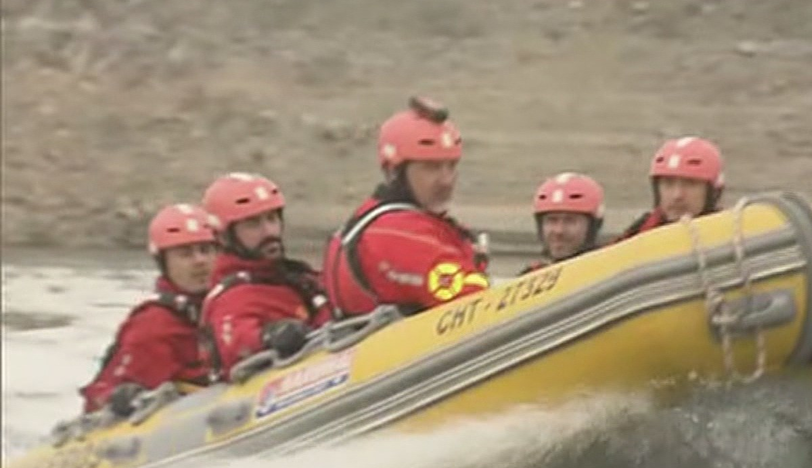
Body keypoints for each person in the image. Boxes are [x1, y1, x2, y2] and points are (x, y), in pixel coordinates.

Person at [322, 96, 489, 319]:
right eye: (431, 167)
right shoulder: (396, 234)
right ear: (395, 172)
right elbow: (474, 302)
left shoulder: (383, 220)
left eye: (451, 166)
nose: (446, 180)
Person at [79, 204, 219, 416]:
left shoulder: (234, 306)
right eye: (185, 253)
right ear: (164, 263)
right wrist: (120, 396)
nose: (200, 261)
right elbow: (101, 398)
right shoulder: (154, 324)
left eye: (206, 250)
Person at [199, 172, 332, 381]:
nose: (269, 231)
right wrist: (269, 336)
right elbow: (237, 343)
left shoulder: (297, 277)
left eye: (272, 219)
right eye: (253, 224)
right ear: (224, 236)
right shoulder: (231, 298)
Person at [616, 136, 725, 241]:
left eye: (690, 184)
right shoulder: (639, 232)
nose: (677, 195)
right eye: (668, 183)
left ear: (713, 192)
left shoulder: (729, 237)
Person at [520, 172, 605, 275]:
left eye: (570, 221)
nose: (559, 231)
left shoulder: (609, 271)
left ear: (592, 226)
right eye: (552, 220)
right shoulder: (533, 278)